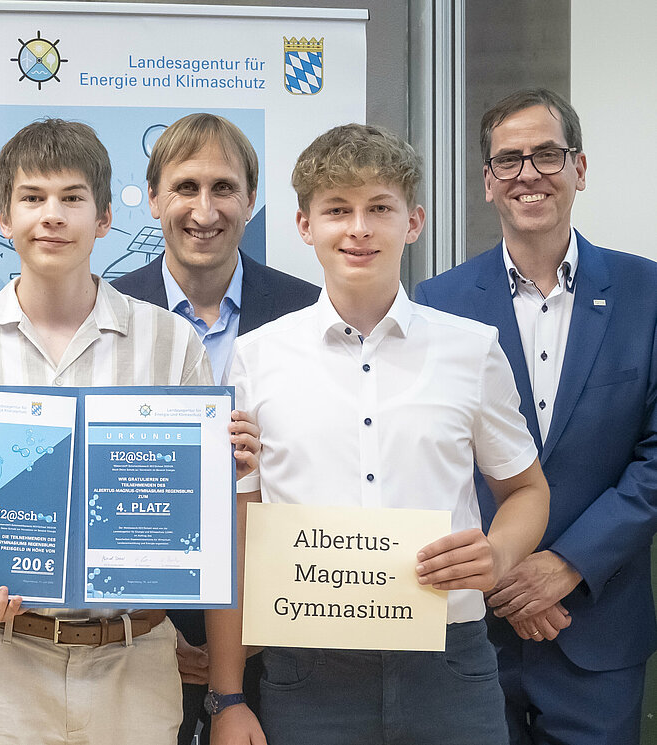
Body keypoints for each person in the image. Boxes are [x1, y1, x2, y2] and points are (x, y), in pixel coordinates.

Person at [0, 118, 257, 745]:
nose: (52, 216)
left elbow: (211, 520)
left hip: (135, 661)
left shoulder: (170, 342)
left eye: (72, 198)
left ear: (104, 218)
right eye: (32, 198)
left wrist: (224, 465)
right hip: (0, 663)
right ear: (4, 216)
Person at [210, 123, 551, 745]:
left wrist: (500, 555)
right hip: (306, 667)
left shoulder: (470, 350)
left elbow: (528, 490)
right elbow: (240, 525)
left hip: (450, 661)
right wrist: (228, 696)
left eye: (379, 209)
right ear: (304, 226)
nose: (359, 228)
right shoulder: (256, 358)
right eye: (337, 210)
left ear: (413, 222)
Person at [415, 88, 657, 745]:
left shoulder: (647, 292)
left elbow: (655, 455)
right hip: (472, 627)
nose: (529, 173)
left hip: (596, 625)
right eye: (510, 159)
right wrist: (502, 566)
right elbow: (423, 455)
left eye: (548, 155)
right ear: (488, 183)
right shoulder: (436, 303)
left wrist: (567, 562)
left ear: (579, 169)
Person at [111, 112, 318, 745]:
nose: (205, 210)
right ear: (153, 198)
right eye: (185, 187)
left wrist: (258, 623)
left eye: (224, 188)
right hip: (139, 634)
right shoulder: (105, 315)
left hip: (286, 630)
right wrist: (151, 619)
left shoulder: (309, 312)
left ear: (252, 200)